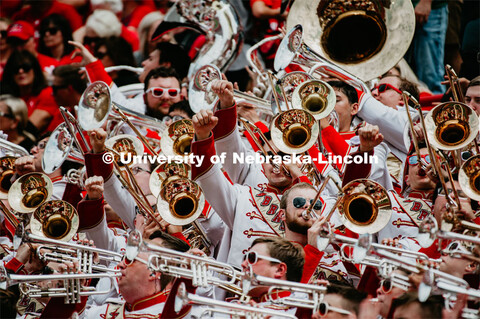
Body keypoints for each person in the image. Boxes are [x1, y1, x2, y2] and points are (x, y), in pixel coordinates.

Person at [1, 50, 58, 135]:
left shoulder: (47, 93)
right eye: (16, 69)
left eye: (26, 67)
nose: (21, 71)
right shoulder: (6, 97)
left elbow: (31, 129)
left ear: (35, 70)